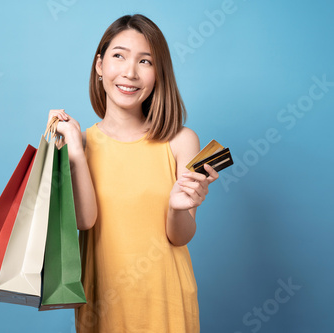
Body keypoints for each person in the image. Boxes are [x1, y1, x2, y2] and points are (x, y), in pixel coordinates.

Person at [47, 14, 219, 333]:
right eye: (119, 56)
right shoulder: (78, 143)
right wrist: (74, 152)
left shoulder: (182, 141)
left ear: (158, 74)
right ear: (99, 65)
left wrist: (177, 207)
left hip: (167, 305)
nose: (130, 72)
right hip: (102, 308)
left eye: (145, 61)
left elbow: (180, 236)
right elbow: (85, 221)